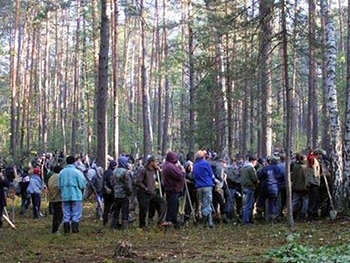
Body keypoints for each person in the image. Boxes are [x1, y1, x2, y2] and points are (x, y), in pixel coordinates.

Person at [135, 155, 170, 229]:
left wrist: (159, 171)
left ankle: (161, 222)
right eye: (155, 162)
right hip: (143, 194)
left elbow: (160, 179)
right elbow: (138, 181)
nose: (156, 163)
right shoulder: (143, 170)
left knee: (162, 202)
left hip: (152, 193)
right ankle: (142, 226)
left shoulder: (155, 170)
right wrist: (146, 188)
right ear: (151, 162)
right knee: (144, 210)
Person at [58, 155, 87, 234]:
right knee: (76, 213)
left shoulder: (62, 172)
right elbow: (82, 184)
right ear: (74, 162)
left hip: (65, 195)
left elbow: (59, 185)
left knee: (66, 213)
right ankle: (75, 230)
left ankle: (66, 230)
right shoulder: (77, 172)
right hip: (76, 195)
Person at [162, 151, 186, 229]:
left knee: (173, 205)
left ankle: (172, 220)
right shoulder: (170, 166)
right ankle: (171, 221)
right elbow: (179, 176)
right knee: (173, 206)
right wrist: (182, 170)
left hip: (171, 188)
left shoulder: (167, 165)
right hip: (173, 189)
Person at [109, 156, 133, 231]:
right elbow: (128, 185)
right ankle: (124, 227)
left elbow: (112, 183)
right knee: (125, 210)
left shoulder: (114, 171)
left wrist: (116, 189)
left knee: (116, 210)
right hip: (124, 195)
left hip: (116, 194)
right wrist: (130, 193)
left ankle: (113, 225)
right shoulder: (126, 172)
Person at [192, 150, 215, 228]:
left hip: (198, 186)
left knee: (201, 204)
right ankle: (206, 223)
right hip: (207, 186)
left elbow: (193, 176)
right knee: (207, 204)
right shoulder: (206, 164)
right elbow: (211, 174)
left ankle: (208, 221)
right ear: (203, 156)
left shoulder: (195, 165)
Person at [240, 156, 258, 225]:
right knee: (248, 205)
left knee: (245, 205)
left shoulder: (244, 167)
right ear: (253, 161)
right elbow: (254, 178)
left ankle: (247, 219)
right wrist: (257, 183)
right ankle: (246, 221)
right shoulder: (250, 168)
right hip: (249, 187)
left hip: (244, 187)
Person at [291, 153, 309, 221]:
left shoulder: (295, 166)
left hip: (296, 187)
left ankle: (293, 215)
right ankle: (302, 215)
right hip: (305, 187)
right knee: (305, 201)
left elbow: (292, 176)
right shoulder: (306, 167)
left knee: (295, 201)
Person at [48, 165, 63, 233]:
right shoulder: (59, 177)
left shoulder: (51, 177)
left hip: (52, 198)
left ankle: (55, 229)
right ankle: (55, 230)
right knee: (58, 215)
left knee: (56, 215)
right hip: (58, 198)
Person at [102, 160, 117, 226]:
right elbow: (112, 183)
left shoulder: (106, 172)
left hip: (105, 193)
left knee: (106, 207)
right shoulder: (112, 173)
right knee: (113, 207)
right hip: (111, 193)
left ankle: (105, 221)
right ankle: (111, 221)